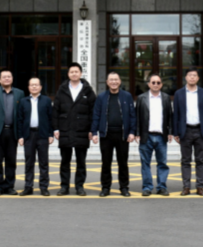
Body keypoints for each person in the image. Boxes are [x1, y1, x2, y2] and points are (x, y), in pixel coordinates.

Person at [52, 62, 97, 196]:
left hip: (82, 130)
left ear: (81, 73)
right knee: (65, 161)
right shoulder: (62, 90)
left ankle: (79, 187)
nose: (74, 74)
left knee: (81, 162)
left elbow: (93, 112)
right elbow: (56, 111)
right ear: (68, 74)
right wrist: (56, 128)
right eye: (71, 72)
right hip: (65, 129)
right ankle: (64, 187)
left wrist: (92, 130)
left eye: (76, 71)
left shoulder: (88, 91)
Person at [90, 71, 137, 197]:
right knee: (106, 163)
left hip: (122, 135)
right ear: (107, 82)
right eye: (111, 80)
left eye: (116, 79)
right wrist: (94, 132)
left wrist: (132, 132)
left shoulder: (127, 96)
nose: (114, 82)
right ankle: (105, 187)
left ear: (120, 81)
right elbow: (96, 115)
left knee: (123, 163)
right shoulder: (101, 97)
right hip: (106, 135)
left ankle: (124, 187)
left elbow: (132, 115)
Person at [0, 69, 24, 196]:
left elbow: (21, 114)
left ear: (12, 78)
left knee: (11, 161)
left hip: (12, 132)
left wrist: (21, 133)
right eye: (4, 77)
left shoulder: (19, 93)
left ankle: (9, 186)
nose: (7, 78)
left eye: (9, 76)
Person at [172, 68, 203, 196]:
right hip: (185, 130)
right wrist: (176, 132)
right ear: (186, 77)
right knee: (185, 160)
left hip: (200, 130)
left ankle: (200, 186)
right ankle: (186, 187)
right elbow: (176, 114)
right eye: (190, 75)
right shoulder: (179, 93)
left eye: (195, 75)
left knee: (200, 160)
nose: (192, 77)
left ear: (198, 78)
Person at [135, 73, 173, 197]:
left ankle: (162, 187)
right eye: (153, 82)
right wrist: (137, 133)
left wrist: (170, 132)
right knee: (145, 163)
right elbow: (137, 117)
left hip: (161, 136)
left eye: (158, 82)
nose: (155, 84)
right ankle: (147, 187)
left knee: (162, 163)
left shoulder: (166, 98)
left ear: (161, 84)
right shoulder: (141, 98)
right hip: (146, 136)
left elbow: (170, 116)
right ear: (148, 84)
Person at [17, 77, 54, 196]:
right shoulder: (23, 101)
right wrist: (20, 136)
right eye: (31, 85)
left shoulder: (46, 100)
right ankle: (28, 187)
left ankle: (44, 187)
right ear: (28, 87)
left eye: (36, 85)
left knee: (44, 162)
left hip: (42, 134)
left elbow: (51, 118)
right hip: (28, 135)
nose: (34, 87)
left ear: (41, 87)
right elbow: (20, 120)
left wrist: (50, 134)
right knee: (29, 162)